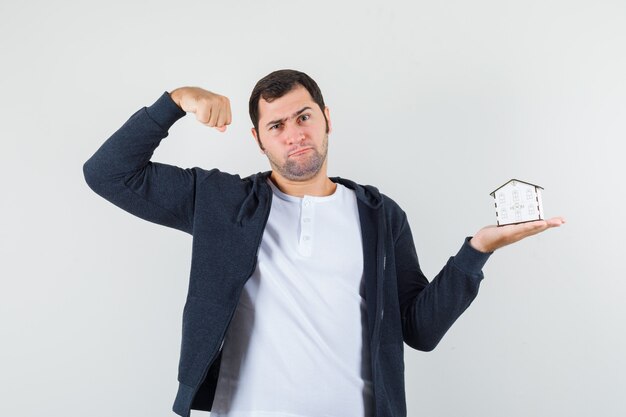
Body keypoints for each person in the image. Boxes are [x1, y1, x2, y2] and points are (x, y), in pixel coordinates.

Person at [83, 69, 564, 417]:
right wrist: (175, 99)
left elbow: (419, 330)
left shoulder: (379, 215)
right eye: (277, 126)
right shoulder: (220, 202)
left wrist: (476, 252)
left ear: (326, 118)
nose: (294, 135)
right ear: (259, 139)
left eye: (304, 117)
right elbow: (108, 173)